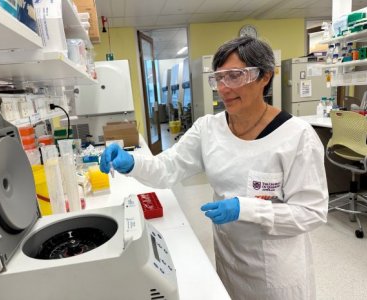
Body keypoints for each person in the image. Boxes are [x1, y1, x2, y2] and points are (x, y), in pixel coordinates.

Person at [100, 36, 329, 300]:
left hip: (276, 272)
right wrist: (132, 163)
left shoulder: (297, 136)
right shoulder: (208, 128)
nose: (223, 87)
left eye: (234, 76)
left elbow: (311, 213)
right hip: (229, 259)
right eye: (219, 78)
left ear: (265, 76)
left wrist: (245, 208)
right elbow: (167, 167)